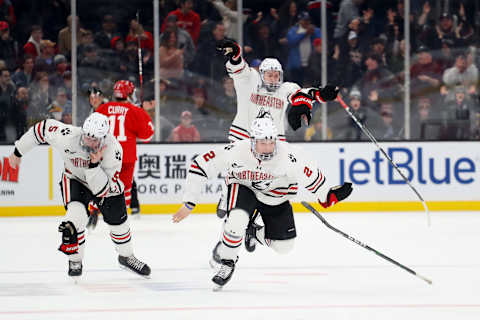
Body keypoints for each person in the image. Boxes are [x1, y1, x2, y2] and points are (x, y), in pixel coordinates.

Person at [172, 116, 353, 289]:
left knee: (284, 247)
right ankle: (228, 261)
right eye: (262, 143)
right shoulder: (236, 151)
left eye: (271, 142)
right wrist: (190, 201)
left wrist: (330, 196)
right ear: (252, 141)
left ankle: (252, 232)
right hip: (244, 189)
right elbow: (199, 165)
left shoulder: (290, 156)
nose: (268, 147)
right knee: (236, 221)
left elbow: (315, 183)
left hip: (274, 198)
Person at [8, 113, 151, 278]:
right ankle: (75, 259)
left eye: (94, 139)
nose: (88, 142)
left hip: (105, 185)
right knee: (73, 221)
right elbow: (41, 129)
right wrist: (18, 152)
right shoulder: (67, 136)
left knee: (118, 221)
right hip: (74, 179)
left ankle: (126, 257)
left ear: (104, 139)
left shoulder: (114, 150)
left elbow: (102, 191)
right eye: (86, 136)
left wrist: (94, 165)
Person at [214, 38, 339, 216]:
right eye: (269, 75)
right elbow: (239, 69)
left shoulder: (285, 89)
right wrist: (235, 55)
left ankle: (258, 216)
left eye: (276, 75)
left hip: (271, 141)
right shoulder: (251, 81)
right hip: (243, 136)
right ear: (262, 74)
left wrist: (321, 94)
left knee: (270, 179)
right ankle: (227, 194)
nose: (273, 78)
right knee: (238, 171)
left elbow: (301, 94)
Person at [94, 80, 154, 219]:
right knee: (125, 188)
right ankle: (121, 217)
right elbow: (147, 136)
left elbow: (92, 131)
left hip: (105, 155)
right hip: (126, 156)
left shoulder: (103, 108)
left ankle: (93, 211)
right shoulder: (135, 111)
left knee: (100, 185)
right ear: (130, 94)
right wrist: (143, 114)